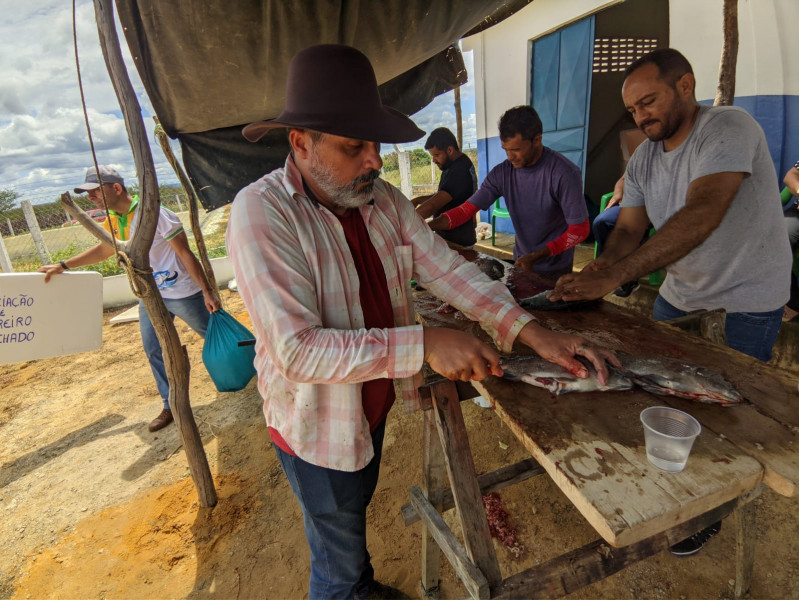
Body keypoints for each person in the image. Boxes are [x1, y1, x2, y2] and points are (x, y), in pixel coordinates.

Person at [227, 44, 616, 600]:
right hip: (314, 423)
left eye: (375, 145)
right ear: (300, 143)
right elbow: (298, 351)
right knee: (335, 549)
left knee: (355, 508)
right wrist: (427, 341)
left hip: (371, 402)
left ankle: (359, 584)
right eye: (353, 146)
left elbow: (447, 272)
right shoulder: (261, 213)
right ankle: (347, 589)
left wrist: (534, 332)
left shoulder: (380, 201)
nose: (373, 161)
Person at [551, 48, 792, 556]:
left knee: (730, 412)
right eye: (634, 109)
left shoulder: (729, 127)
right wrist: (600, 268)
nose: (641, 115)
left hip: (745, 299)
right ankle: (678, 485)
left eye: (649, 101)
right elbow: (630, 230)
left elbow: (703, 213)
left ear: (686, 85)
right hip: (680, 295)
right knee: (656, 393)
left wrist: (617, 274)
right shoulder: (642, 157)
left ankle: (710, 510)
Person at [38, 166, 221, 432]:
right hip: (149, 295)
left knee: (215, 334)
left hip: (182, 291)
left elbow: (184, 252)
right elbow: (104, 249)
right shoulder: (113, 221)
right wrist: (64, 265)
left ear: (116, 188)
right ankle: (171, 404)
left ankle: (256, 369)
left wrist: (206, 290)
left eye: (94, 191)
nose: (90, 198)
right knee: (154, 349)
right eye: (87, 194)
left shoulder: (155, 214)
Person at [428, 105, 589, 278]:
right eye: (506, 149)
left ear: (537, 140)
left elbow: (580, 230)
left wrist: (537, 255)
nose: (510, 157)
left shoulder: (563, 173)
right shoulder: (502, 173)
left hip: (555, 269)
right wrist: (426, 227)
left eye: (516, 150)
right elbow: (466, 210)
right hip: (521, 262)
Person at [411, 127, 477, 247]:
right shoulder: (452, 165)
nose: (433, 160)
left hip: (458, 240)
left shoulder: (459, 170)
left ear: (450, 150)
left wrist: (408, 221)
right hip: (451, 237)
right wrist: (419, 200)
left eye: (436, 155)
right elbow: (443, 195)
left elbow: (433, 205)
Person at [591, 174, 649, 297]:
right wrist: (618, 193)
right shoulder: (641, 156)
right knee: (601, 222)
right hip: (628, 205)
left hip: (651, 208)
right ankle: (606, 268)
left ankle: (629, 279)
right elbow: (622, 180)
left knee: (634, 231)